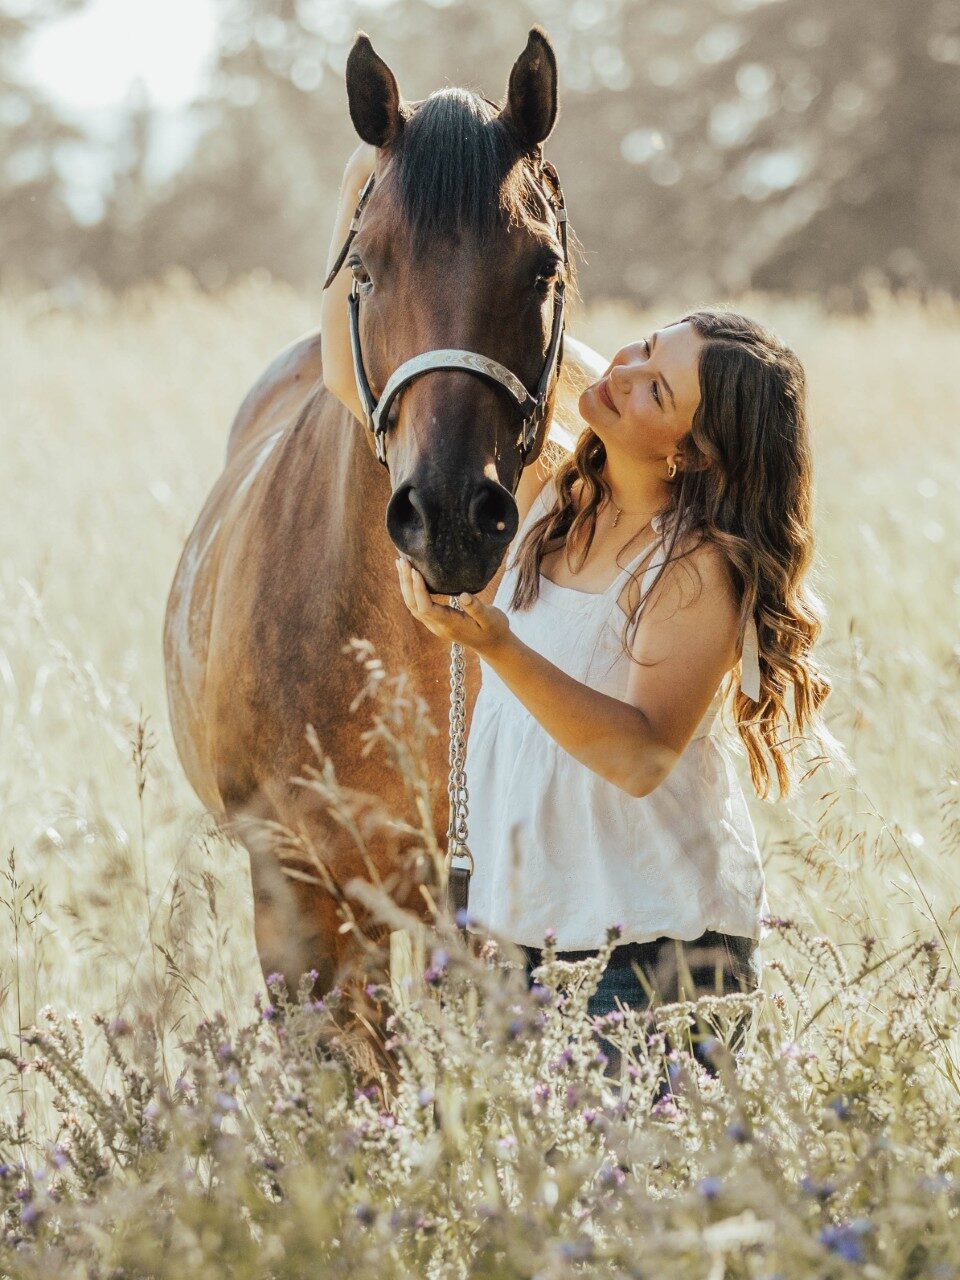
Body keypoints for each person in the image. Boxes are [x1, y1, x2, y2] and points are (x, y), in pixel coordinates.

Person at [321, 144, 838, 1076]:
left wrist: (499, 647)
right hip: (526, 943)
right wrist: (368, 190)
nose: (629, 365)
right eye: (647, 344)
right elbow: (363, 368)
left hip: (650, 957)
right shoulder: (562, 489)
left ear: (691, 454)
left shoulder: (693, 567)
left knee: (642, 1211)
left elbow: (640, 754)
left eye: (657, 387)